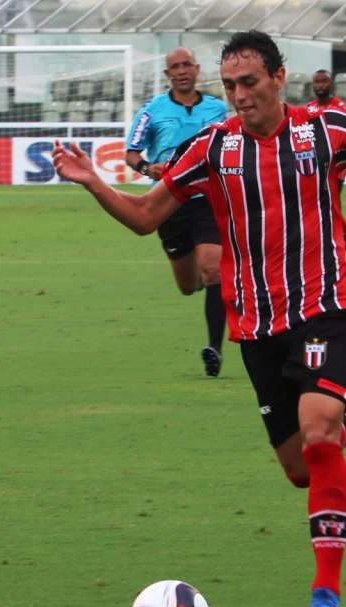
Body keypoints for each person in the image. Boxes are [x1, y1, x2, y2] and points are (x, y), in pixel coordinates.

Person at [52, 30, 346, 607]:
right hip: (257, 324)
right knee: (300, 469)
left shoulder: (325, 129)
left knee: (319, 438)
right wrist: (94, 184)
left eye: (250, 82)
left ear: (278, 77)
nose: (240, 95)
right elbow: (144, 217)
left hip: (324, 306)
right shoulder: (211, 147)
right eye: (231, 85)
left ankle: (326, 592)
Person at [124, 47, 230, 377]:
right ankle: (198, 275)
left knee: (214, 269)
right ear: (167, 74)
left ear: (197, 70)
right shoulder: (151, 111)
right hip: (169, 202)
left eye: (187, 65)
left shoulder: (218, 109)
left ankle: (215, 348)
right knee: (188, 284)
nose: (182, 71)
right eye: (175, 67)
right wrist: (146, 168)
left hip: (208, 200)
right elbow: (131, 153)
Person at [306, 69, 346, 273]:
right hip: (315, 170)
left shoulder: (341, 107)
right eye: (317, 82)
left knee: (330, 212)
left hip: (335, 169)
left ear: (330, 84)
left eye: (324, 81)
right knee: (328, 212)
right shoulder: (309, 108)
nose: (320, 85)